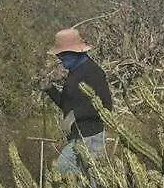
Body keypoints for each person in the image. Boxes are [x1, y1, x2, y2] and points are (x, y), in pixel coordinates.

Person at [40, 28, 113, 174]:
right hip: (77, 137)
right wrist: (50, 89)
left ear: (74, 53)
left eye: (62, 55)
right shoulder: (74, 73)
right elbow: (67, 105)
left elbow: (105, 105)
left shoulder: (93, 72)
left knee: (91, 180)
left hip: (92, 136)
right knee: (68, 175)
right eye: (59, 55)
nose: (60, 58)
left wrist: (74, 115)